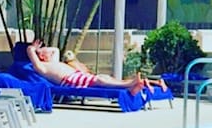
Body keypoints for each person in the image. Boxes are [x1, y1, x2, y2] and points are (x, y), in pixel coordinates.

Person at [19, 39, 163, 95]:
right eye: (45, 50)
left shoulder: (53, 61)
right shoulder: (42, 67)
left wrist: (41, 49)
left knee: (103, 77)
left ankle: (131, 85)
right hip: (71, 81)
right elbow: (29, 51)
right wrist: (33, 49)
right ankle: (129, 85)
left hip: (78, 76)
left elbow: (55, 49)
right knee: (99, 80)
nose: (49, 51)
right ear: (40, 56)